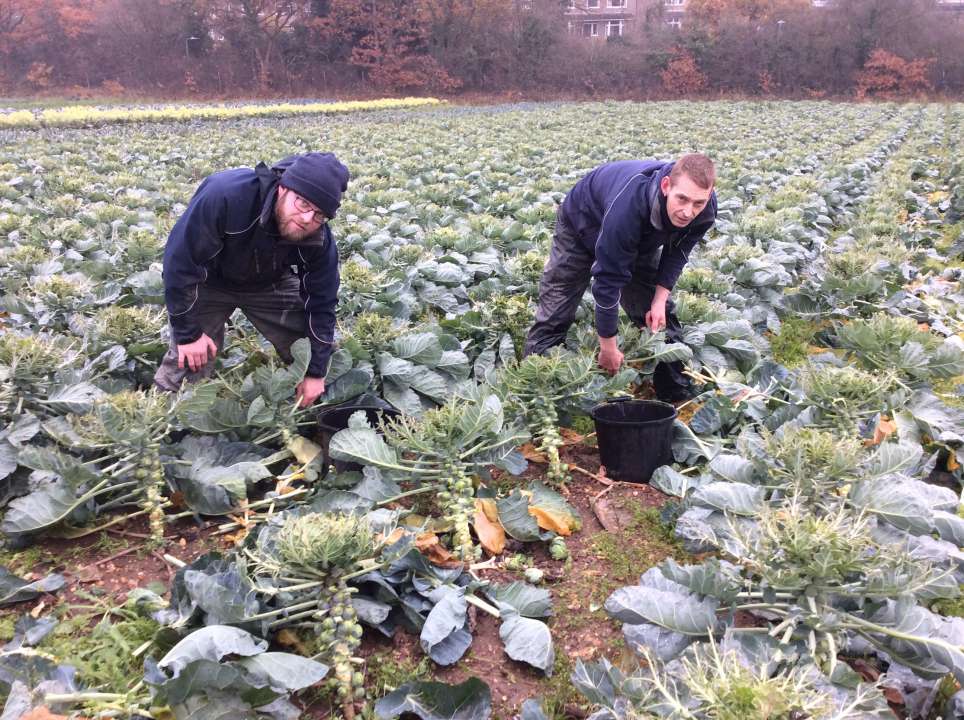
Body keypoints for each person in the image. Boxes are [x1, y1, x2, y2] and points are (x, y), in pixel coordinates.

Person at [154, 151, 349, 407]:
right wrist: (188, 335)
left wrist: (316, 372)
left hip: (270, 284)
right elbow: (181, 263)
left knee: (316, 351)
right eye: (302, 203)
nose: (307, 219)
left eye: (319, 215)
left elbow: (322, 302)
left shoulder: (319, 238)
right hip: (209, 282)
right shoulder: (226, 195)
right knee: (189, 362)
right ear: (283, 188)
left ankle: (319, 413)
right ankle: (164, 422)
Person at [523, 153, 717, 401]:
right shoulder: (627, 208)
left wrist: (659, 300)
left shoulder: (705, 209)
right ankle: (535, 393)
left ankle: (675, 396)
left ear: (708, 196)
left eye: (698, 203)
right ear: (666, 186)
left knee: (656, 314)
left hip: (638, 236)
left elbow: (677, 252)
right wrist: (608, 348)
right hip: (583, 219)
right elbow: (607, 282)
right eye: (682, 199)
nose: (688, 212)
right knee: (557, 305)